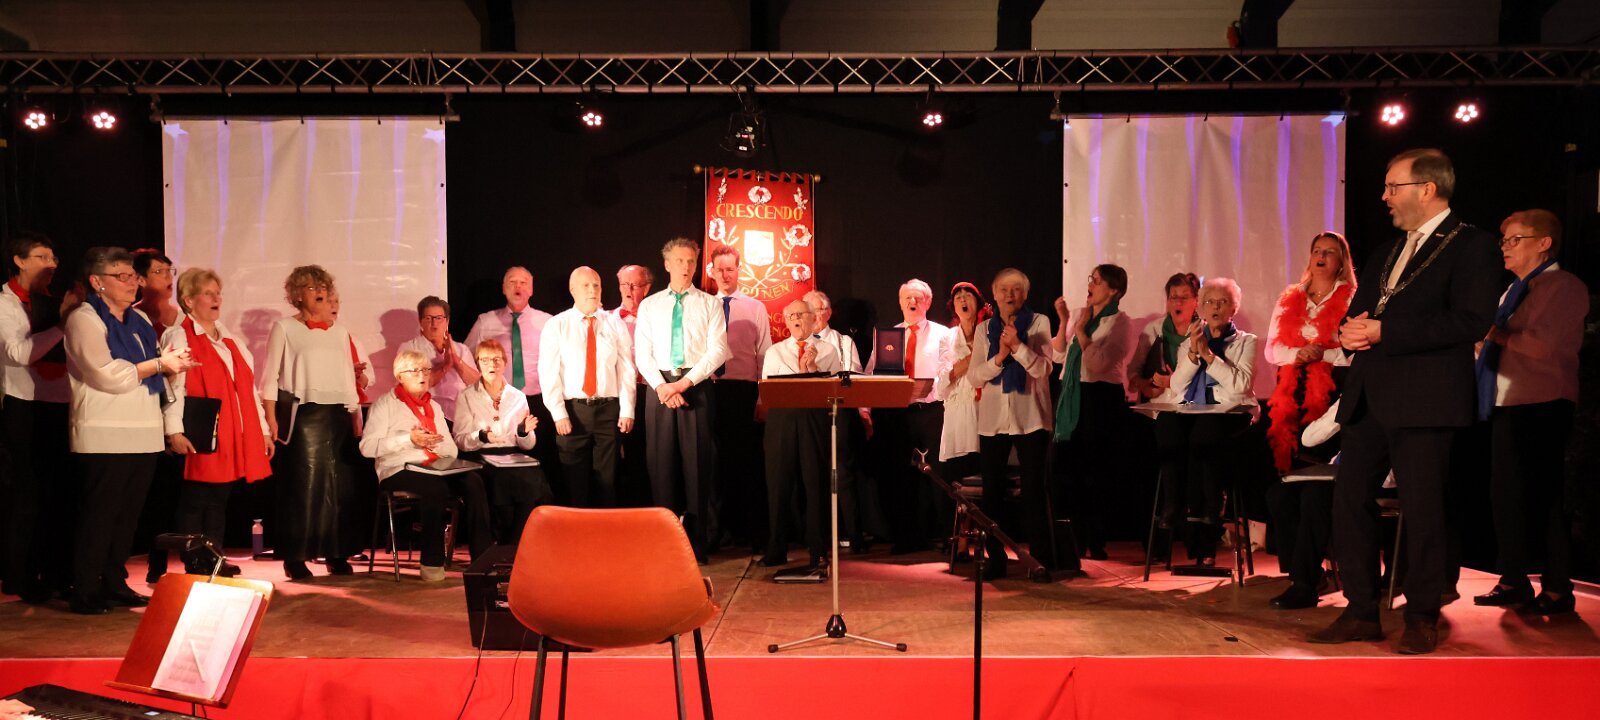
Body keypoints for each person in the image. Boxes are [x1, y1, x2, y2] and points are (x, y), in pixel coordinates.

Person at [1310, 148, 1501, 655]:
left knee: (1423, 508)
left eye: (1393, 187)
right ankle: (1360, 610)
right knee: (1350, 500)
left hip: (1425, 398)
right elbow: (1359, 311)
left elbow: (1470, 320)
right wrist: (1350, 330)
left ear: (1428, 189)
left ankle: (1421, 615)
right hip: (1369, 395)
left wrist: (1385, 332)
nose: (1384, 196)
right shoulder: (1387, 250)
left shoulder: (1473, 246)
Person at [65, 246, 195, 614]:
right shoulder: (85, 319)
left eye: (133, 276)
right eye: (121, 276)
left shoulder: (138, 321)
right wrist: (158, 365)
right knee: (100, 515)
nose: (131, 283)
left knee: (127, 517)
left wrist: (171, 368)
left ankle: (114, 581)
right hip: (104, 431)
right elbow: (106, 374)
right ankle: (85, 588)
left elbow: (149, 370)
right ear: (97, 282)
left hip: (143, 429)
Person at [1472, 209, 1588, 615]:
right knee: (1505, 497)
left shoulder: (1563, 286)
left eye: (1514, 240)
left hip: (1544, 402)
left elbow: (1543, 346)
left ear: (1544, 243)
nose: (1505, 247)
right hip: (1506, 401)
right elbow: (1501, 344)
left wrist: (1493, 334)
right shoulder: (1513, 290)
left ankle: (1557, 588)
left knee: (1544, 496)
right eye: (1503, 240)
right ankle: (1514, 580)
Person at [1262, 233, 1357, 609]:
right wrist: (1300, 354)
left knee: (1314, 491)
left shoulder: (1351, 297)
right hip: (1292, 396)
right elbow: (1272, 349)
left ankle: (1306, 578)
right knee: (1282, 490)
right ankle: (1304, 572)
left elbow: (1357, 351)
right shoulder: (1291, 296)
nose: (1321, 257)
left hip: (1334, 396)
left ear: (1341, 261)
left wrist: (1325, 356)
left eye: (1329, 252)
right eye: (1317, 251)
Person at [159, 268, 273, 577]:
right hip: (200, 429)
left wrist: (261, 430)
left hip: (229, 430)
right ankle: (195, 560)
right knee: (196, 499)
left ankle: (214, 557)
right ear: (188, 300)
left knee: (218, 499)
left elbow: (247, 389)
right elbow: (173, 387)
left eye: (218, 293)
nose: (216, 299)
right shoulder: (180, 335)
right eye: (208, 293)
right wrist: (174, 430)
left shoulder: (230, 339)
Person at [260, 265, 363, 580]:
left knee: (339, 487)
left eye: (322, 286)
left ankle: (337, 552)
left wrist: (354, 413)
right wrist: (270, 419)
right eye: (310, 287)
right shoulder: (285, 328)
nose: (319, 291)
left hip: (338, 414)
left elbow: (347, 376)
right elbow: (270, 377)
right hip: (304, 415)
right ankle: (295, 556)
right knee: (304, 488)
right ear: (297, 295)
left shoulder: (340, 330)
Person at [633, 238, 730, 561]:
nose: (686, 267)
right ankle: (665, 545)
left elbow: (717, 350)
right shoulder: (650, 305)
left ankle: (698, 545)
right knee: (660, 466)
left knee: (698, 466)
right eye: (679, 260)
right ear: (667, 264)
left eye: (691, 261)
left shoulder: (710, 304)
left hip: (695, 386)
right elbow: (642, 353)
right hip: (659, 387)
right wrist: (663, 387)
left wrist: (685, 384)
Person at [360, 349, 492, 581]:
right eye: (415, 371)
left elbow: (451, 450)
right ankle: (432, 563)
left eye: (425, 370)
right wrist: (409, 440)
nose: (422, 375)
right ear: (400, 376)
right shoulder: (385, 404)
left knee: (473, 481)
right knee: (435, 488)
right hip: (398, 469)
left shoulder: (434, 407)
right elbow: (367, 447)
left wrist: (433, 443)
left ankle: (482, 560)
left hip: (434, 466)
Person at [1, 233, 80, 603]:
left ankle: (55, 572)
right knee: (28, 494)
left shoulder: (53, 301)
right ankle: (20, 575)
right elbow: (18, 353)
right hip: (23, 404)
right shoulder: (6, 302)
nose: (51, 264)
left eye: (53, 257)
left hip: (59, 402)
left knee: (59, 493)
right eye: (41, 257)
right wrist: (64, 324)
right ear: (19, 261)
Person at [1158, 277, 1258, 566]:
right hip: (1195, 411)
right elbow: (1177, 385)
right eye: (1209, 302)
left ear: (1233, 308)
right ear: (1200, 308)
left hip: (1231, 413)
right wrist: (1193, 352)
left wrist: (1209, 357)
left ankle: (1212, 508)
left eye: (1222, 302)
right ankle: (1173, 503)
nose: (1215, 307)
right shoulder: (1190, 341)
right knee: (1166, 424)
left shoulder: (1246, 342)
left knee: (1205, 433)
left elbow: (1239, 387)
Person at [967, 269, 1059, 579]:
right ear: (994, 294)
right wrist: (1000, 357)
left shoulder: (1039, 323)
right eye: (1004, 289)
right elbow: (974, 377)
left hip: (1031, 418)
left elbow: (1043, 368)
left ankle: (1040, 561)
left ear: (1025, 294)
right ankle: (995, 560)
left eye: (1017, 289)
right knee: (993, 493)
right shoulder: (984, 329)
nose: (1010, 295)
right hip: (993, 420)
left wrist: (1018, 347)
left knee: (1033, 491)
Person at [1050, 264, 1134, 561]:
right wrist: (1065, 321)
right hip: (1072, 395)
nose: (1091, 285)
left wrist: (1082, 331)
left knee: (1095, 472)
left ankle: (1095, 541)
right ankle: (1071, 541)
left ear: (1114, 290)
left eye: (1097, 281)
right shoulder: (1079, 314)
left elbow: (1098, 364)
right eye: (1092, 279)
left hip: (1100, 399)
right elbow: (1058, 355)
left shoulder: (1121, 322)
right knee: (1068, 470)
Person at [864, 279, 952, 553]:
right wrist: (865, 411)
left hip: (932, 412)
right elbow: (871, 374)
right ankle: (906, 537)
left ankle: (945, 537)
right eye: (907, 298)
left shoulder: (943, 334)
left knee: (937, 475)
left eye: (918, 298)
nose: (913, 302)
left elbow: (949, 372)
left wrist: (928, 390)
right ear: (900, 303)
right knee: (901, 476)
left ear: (928, 302)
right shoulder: (887, 336)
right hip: (897, 416)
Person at [539, 267, 636, 507]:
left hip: (608, 409)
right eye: (586, 286)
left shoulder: (614, 324)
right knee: (574, 482)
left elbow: (626, 369)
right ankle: (575, 527)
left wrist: (627, 410)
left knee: (608, 480)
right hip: (574, 410)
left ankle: (605, 527)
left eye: (596, 285)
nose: (592, 290)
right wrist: (558, 413)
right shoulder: (557, 325)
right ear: (573, 290)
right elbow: (548, 372)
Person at [760, 298, 841, 569]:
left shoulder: (827, 349)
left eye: (801, 314)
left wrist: (813, 370)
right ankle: (776, 549)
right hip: (781, 420)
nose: (796, 319)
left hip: (814, 420)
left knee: (815, 483)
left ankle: (818, 549)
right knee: (778, 484)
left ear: (812, 318)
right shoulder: (775, 351)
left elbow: (833, 387)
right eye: (791, 316)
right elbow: (769, 388)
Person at [466, 266, 558, 495]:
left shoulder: (548, 321)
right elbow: (467, 358)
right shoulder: (485, 321)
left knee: (540, 461)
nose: (518, 286)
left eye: (523, 282)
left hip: (538, 400)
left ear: (532, 289)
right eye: (512, 282)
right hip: (499, 402)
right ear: (503, 288)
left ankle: (538, 509)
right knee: (502, 463)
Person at [803, 288, 882, 551]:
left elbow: (854, 376)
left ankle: (854, 535)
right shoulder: (799, 342)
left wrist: (863, 412)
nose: (811, 316)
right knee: (814, 474)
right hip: (810, 415)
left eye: (815, 310)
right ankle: (818, 538)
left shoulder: (843, 341)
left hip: (839, 411)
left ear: (827, 313)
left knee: (844, 475)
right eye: (807, 312)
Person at [707, 245, 772, 552]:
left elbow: (764, 355)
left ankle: (750, 532)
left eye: (730, 269)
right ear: (711, 272)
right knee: (714, 464)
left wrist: (762, 399)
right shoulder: (704, 305)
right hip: (709, 390)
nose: (725, 275)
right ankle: (716, 532)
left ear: (738, 270)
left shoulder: (755, 307)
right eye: (719, 269)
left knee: (746, 463)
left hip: (744, 392)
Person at [454, 339, 552, 543]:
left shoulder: (517, 397)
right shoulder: (467, 396)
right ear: (478, 363)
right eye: (486, 360)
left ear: (505, 363)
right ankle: (501, 542)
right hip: (480, 455)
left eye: (497, 359)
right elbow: (461, 440)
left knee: (534, 479)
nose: (492, 364)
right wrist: (482, 436)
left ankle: (516, 543)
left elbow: (528, 445)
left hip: (512, 456)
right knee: (501, 481)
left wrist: (523, 432)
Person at [130, 248, 182, 583]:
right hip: (146, 409)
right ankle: (155, 562)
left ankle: (188, 557)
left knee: (177, 493)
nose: (167, 278)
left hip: (177, 407)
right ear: (140, 279)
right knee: (152, 493)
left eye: (169, 271)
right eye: (159, 271)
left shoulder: (181, 317)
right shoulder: (133, 317)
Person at [935, 282, 990, 472]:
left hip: (984, 410)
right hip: (957, 415)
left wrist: (960, 367)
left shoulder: (989, 332)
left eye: (968, 296)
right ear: (954, 306)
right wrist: (970, 359)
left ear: (978, 302)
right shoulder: (948, 337)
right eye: (958, 298)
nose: (963, 300)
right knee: (958, 472)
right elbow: (942, 383)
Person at [400, 296, 478, 421]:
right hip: (425, 416)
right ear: (420, 321)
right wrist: (445, 366)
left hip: (460, 416)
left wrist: (456, 362)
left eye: (439, 318)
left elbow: (477, 384)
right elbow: (413, 386)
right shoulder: (409, 348)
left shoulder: (461, 349)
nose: (434, 323)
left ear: (447, 321)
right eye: (428, 318)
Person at [615, 263, 654, 506]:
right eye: (624, 284)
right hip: (617, 394)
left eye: (635, 285)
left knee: (645, 453)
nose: (629, 290)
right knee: (618, 454)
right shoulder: (608, 319)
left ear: (646, 288)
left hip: (649, 391)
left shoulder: (656, 319)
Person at [1129, 273, 1199, 401]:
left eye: (1184, 297)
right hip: (1154, 406)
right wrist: (1142, 384)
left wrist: (1173, 383)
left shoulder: (1203, 333)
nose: (1178, 302)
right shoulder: (1153, 329)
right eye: (1173, 297)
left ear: (1196, 301)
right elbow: (1134, 370)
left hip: (1190, 406)